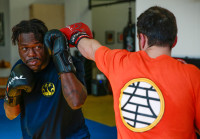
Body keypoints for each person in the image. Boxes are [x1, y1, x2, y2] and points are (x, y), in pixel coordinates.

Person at [60, 6, 200, 139]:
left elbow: (90, 48)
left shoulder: (119, 62)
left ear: (142, 39)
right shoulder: (193, 75)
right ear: (174, 40)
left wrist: (75, 35)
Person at [4, 19, 90, 139]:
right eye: (25, 49)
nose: (31, 54)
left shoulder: (71, 63)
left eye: (37, 47)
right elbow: (11, 115)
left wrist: (61, 59)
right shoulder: (19, 69)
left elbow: (76, 102)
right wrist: (11, 93)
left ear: (46, 43)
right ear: (18, 48)